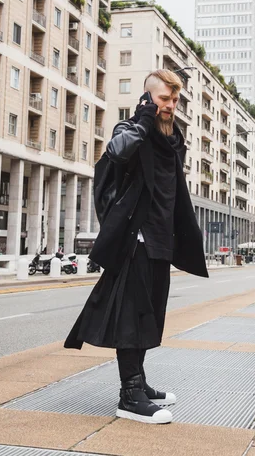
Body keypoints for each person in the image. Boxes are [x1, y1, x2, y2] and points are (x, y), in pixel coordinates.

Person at [65, 69, 208, 424]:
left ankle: (139, 383)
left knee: (149, 315)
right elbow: (117, 152)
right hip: (136, 240)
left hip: (161, 240)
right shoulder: (131, 129)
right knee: (131, 316)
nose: (170, 106)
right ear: (147, 99)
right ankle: (129, 395)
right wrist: (144, 116)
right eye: (163, 99)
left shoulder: (170, 139)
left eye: (174, 101)